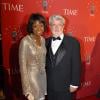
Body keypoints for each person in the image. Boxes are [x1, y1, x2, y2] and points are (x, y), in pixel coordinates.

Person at [45, 14, 81, 100]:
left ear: (63, 26)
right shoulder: (45, 42)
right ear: (50, 26)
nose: (56, 28)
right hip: (49, 86)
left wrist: (74, 83)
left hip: (65, 86)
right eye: (53, 25)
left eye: (59, 25)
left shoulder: (73, 42)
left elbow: (76, 65)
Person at [19, 13, 47, 100]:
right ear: (31, 27)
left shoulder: (43, 40)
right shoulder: (25, 41)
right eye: (35, 26)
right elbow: (23, 67)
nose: (39, 28)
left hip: (43, 78)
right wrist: (27, 90)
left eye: (41, 25)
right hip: (32, 79)